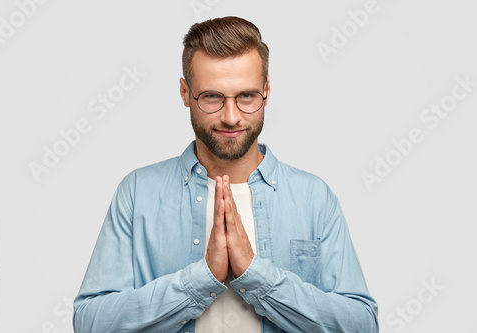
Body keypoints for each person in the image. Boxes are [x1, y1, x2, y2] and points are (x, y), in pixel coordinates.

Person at [73, 16, 378, 333]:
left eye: (246, 96)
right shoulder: (138, 193)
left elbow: (362, 325)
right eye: (212, 97)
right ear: (184, 93)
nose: (231, 117)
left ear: (267, 90)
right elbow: (90, 323)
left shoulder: (313, 197)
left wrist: (256, 274)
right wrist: (202, 278)